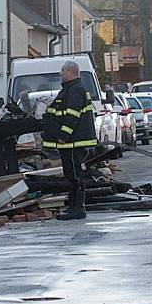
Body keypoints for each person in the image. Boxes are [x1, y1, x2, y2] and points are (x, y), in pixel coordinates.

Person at [42, 61, 98, 220]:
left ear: (70, 72)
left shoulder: (74, 91)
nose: (60, 73)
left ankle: (78, 208)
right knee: (71, 174)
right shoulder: (71, 90)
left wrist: (63, 136)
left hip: (72, 142)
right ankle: (73, 206)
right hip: (69, 142)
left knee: (75, 174)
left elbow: (72, 116)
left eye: (62, 70)